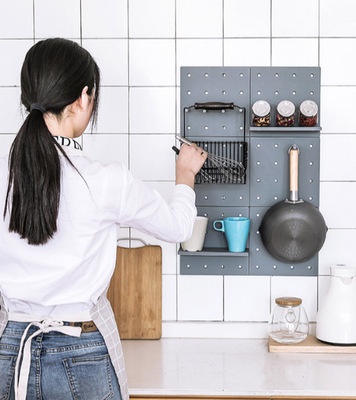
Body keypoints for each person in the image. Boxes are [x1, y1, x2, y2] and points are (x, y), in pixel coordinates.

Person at [0, 38, 206, 400]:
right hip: (82, 351)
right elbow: (178, 227)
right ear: (82, 99)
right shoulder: (106, 180)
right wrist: (185, 175)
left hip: (10, 350)